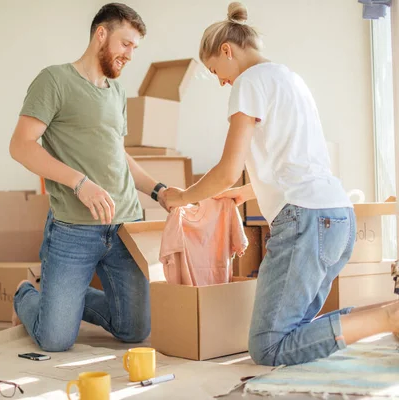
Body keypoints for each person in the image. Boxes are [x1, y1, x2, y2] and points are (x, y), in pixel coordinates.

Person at [164, 1, 399, 366]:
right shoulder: (290, 78)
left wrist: (182, 196)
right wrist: (246, 191)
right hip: (337, 217)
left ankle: (385, 319)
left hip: (305, 221)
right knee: (297, 330)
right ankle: (389, 312)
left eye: (216, 71)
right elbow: (293, 158)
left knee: (269, 346)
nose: (222, 81)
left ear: (227, 50)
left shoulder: (248, 82)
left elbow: (228, 169)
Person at [9, 3, 169, 352]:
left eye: (134, 48)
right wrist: (80, 183)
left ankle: (65, 297)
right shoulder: (55, 80)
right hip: (72, 228)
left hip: (125, 226)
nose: (130, 55)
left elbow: (118, 154)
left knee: (135, 330)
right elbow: (21, 146)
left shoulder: (116, 92)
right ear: (101, 34)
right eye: (126, 44)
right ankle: (28, 293)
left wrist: (158, 191)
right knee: (54, 340)